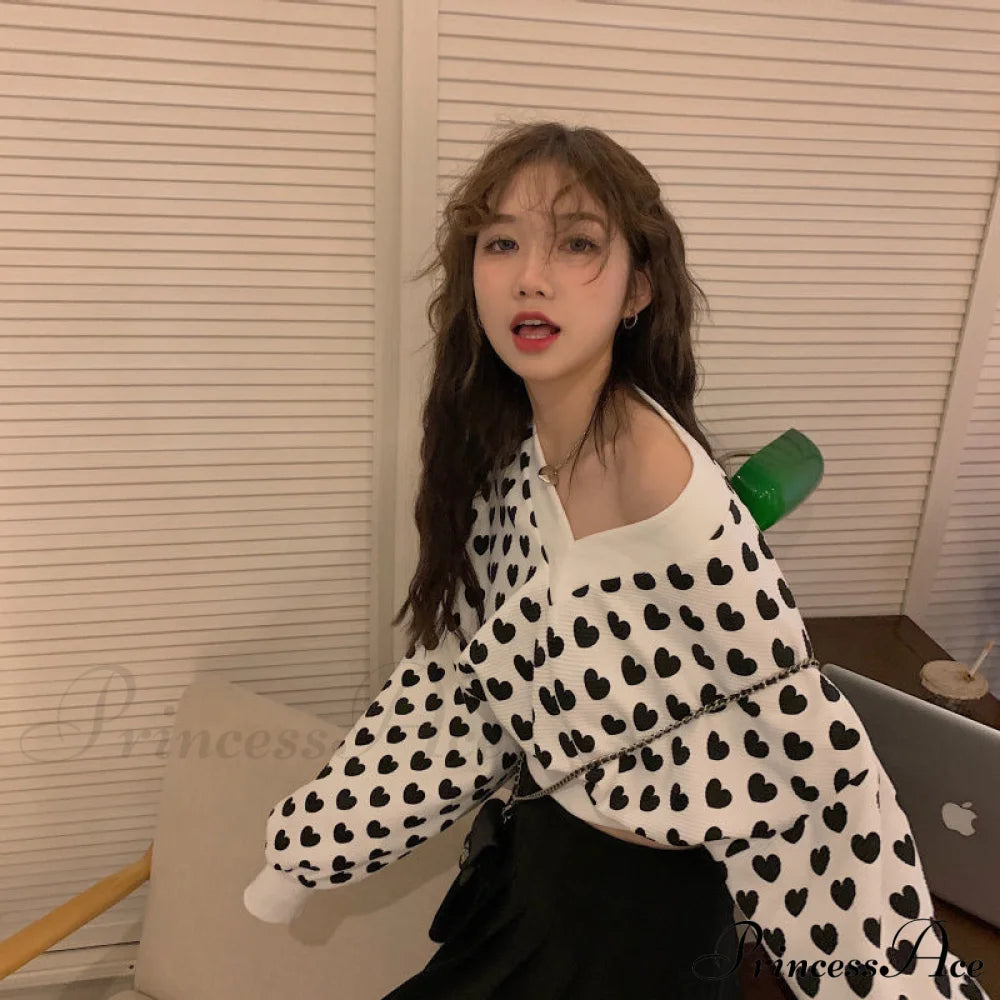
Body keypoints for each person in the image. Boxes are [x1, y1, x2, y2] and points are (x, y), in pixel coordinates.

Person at [243, 121, 989, 1000]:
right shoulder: (511, 462)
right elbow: (463, 688)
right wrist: (306, 851)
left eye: (577, 243)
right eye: (502, 242)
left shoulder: (658, 480)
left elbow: (805, 765)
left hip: (642, 929)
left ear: (638, 286)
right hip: (538, 861)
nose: (531, 275)